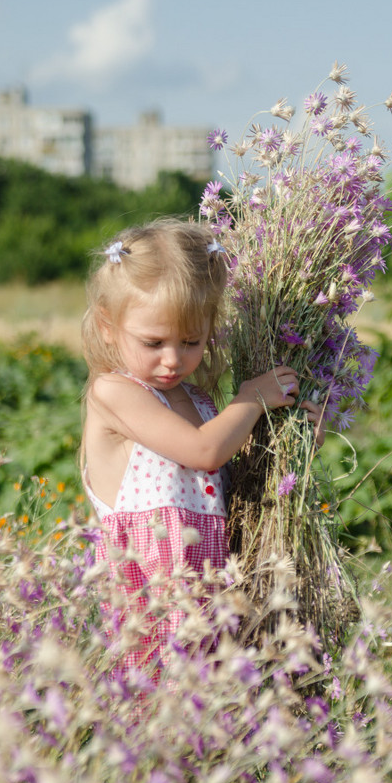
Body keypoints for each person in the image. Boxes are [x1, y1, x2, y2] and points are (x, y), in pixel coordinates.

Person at [81, 219, 323, 679]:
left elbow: (238, 462)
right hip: (155, 590)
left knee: (216, 706)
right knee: (161, 705)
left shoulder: (198, 401)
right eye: (153, 342)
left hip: (212, 583)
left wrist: (300, 432)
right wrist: (251, 397)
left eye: (191, 342)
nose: (174, 359)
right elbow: (205, 452)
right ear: (108, 327)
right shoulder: (113, 392)